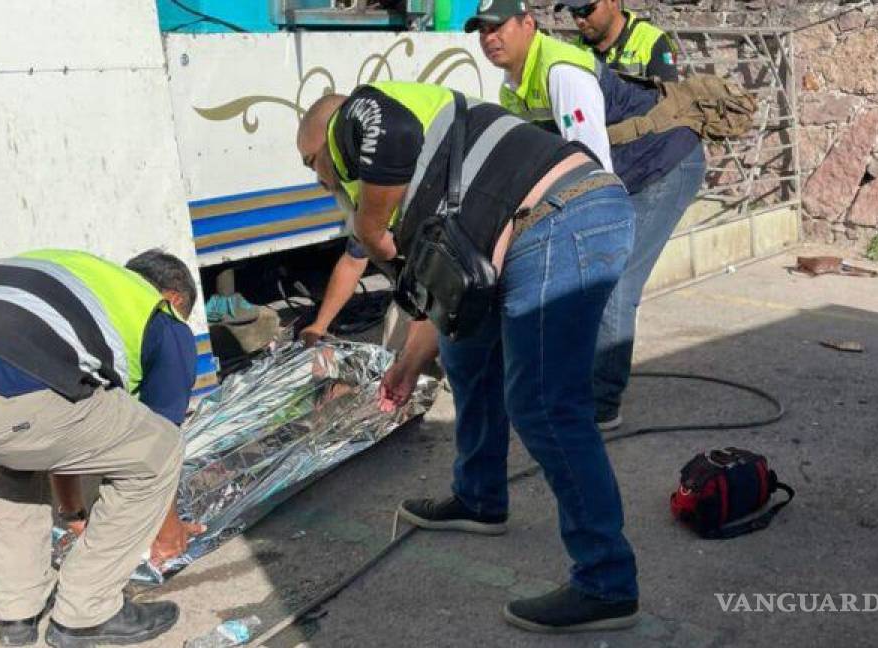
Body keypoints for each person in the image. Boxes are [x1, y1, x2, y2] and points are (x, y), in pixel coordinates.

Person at [297, 81, 639, 632]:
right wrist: (407, 364)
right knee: (466, 349)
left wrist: (367, 223)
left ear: (327, 139)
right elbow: (445, 298)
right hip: (542, 224)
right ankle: (479, 498)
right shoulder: (419, 187)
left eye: (311, 161)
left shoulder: (359, 117)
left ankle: (607, 583)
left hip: (559, 218)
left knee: (544, 404)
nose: (318, 178)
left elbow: (393, 132)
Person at [0, 249, 203, 648]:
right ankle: (87, 613)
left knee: (12, 454)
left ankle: (18, 611)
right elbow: (157, 441)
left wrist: (72, 511)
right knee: (158, 448)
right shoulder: (160, 318)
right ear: (173, 298)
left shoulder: (80, 283)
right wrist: (168, 533)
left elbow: (64, 435)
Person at [468, 0, 706, 429]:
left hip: (665, 165)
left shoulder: (562, 72)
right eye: (481, 31)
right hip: (626, 169)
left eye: (497, 27)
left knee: (611, 278)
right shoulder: (512, 85)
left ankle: (601, 404)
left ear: (527, 24)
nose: (490, 38)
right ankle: (570, 374)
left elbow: (593, 172)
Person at [557, 0, 680, 81]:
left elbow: (669, 106)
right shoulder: (572, 52)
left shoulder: (655, 42)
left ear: (613, 2)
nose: (579, 21)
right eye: (573, 12)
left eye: (585, 10)